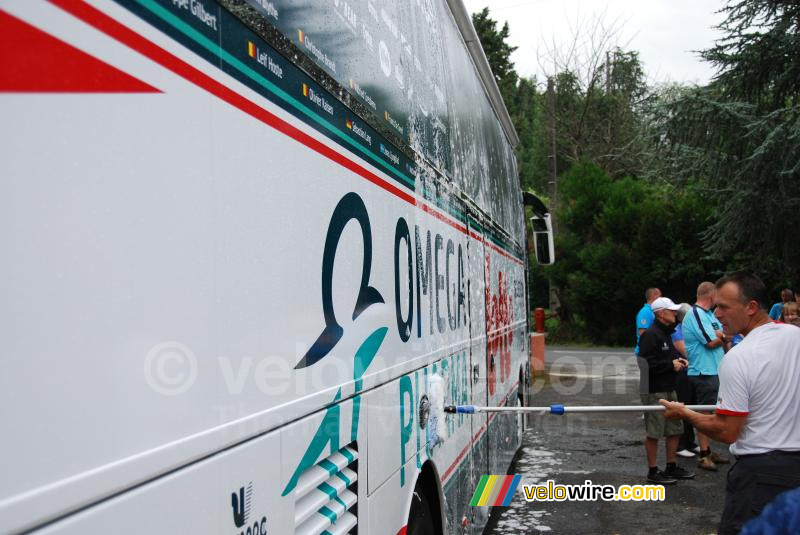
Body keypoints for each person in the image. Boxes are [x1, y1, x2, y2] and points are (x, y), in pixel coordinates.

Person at [661, 272, 800, 534]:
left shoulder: (739, 357)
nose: (718, 315)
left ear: (751, 307)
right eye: (715, 308)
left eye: (724, 307)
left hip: (761, 476)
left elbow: (727, 430)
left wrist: (684, 413)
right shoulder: (795, 337)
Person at [638, 296, 694, 484]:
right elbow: (645, 364)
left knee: (675, 429)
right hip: (654, 389)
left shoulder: (666, 333)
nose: (675, 314)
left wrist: (678, 362)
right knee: (654, 432)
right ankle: (653, 471)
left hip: (669, 386)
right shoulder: (651, 334)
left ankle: (671, 467)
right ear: (661, 314)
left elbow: (664, 360)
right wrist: (670, 365)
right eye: (671, 311)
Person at [682, 281, 730, 471]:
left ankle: (708, 450)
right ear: (711, 296)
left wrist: (722, 337)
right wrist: (722, 337)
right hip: (703, 371)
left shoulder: (709, 314)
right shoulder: (695, 314)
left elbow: (724, 335)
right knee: (705, 412)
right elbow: (711, 341)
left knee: (713, 411)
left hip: (715, 370)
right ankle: (703, 454)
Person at [673, 305, 699, 458]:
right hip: (682, 374)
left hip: (692, 372)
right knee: (683, 406)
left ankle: (690, 441)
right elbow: (686, 352)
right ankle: (679, 444)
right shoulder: (677, 331)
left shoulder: (688, 329)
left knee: (691, 407)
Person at [635, 287, 661, 356]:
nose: (661, 299)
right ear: (654, 296)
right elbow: (643, 334)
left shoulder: (653, 311)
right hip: (646, 352)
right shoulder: (645, 312)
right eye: (660, 296)